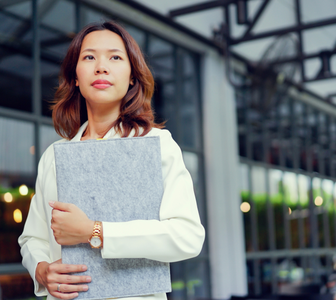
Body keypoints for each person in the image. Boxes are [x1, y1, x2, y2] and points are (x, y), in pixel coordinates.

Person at [18, 20, 205, 300]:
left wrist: (95, 231)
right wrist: (41, 270)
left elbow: (187, 236)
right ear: (76, 78)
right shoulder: (55, 156)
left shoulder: (156, 145)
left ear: (132, 76)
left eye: (115, 57)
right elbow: (32, 238)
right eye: (89, 57)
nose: (101, 67)